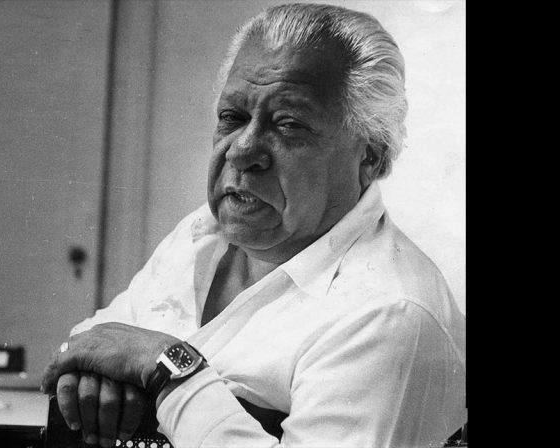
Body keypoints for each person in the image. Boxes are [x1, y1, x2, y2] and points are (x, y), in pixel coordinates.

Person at [41, 3, 466, 447]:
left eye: (289, 125)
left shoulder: (389, 312)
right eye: (233, 117)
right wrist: (96, 369)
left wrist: (168, 366)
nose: (242, 151)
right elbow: (100, 341)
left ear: (370, 157)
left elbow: (142, 354)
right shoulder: (202, 235)